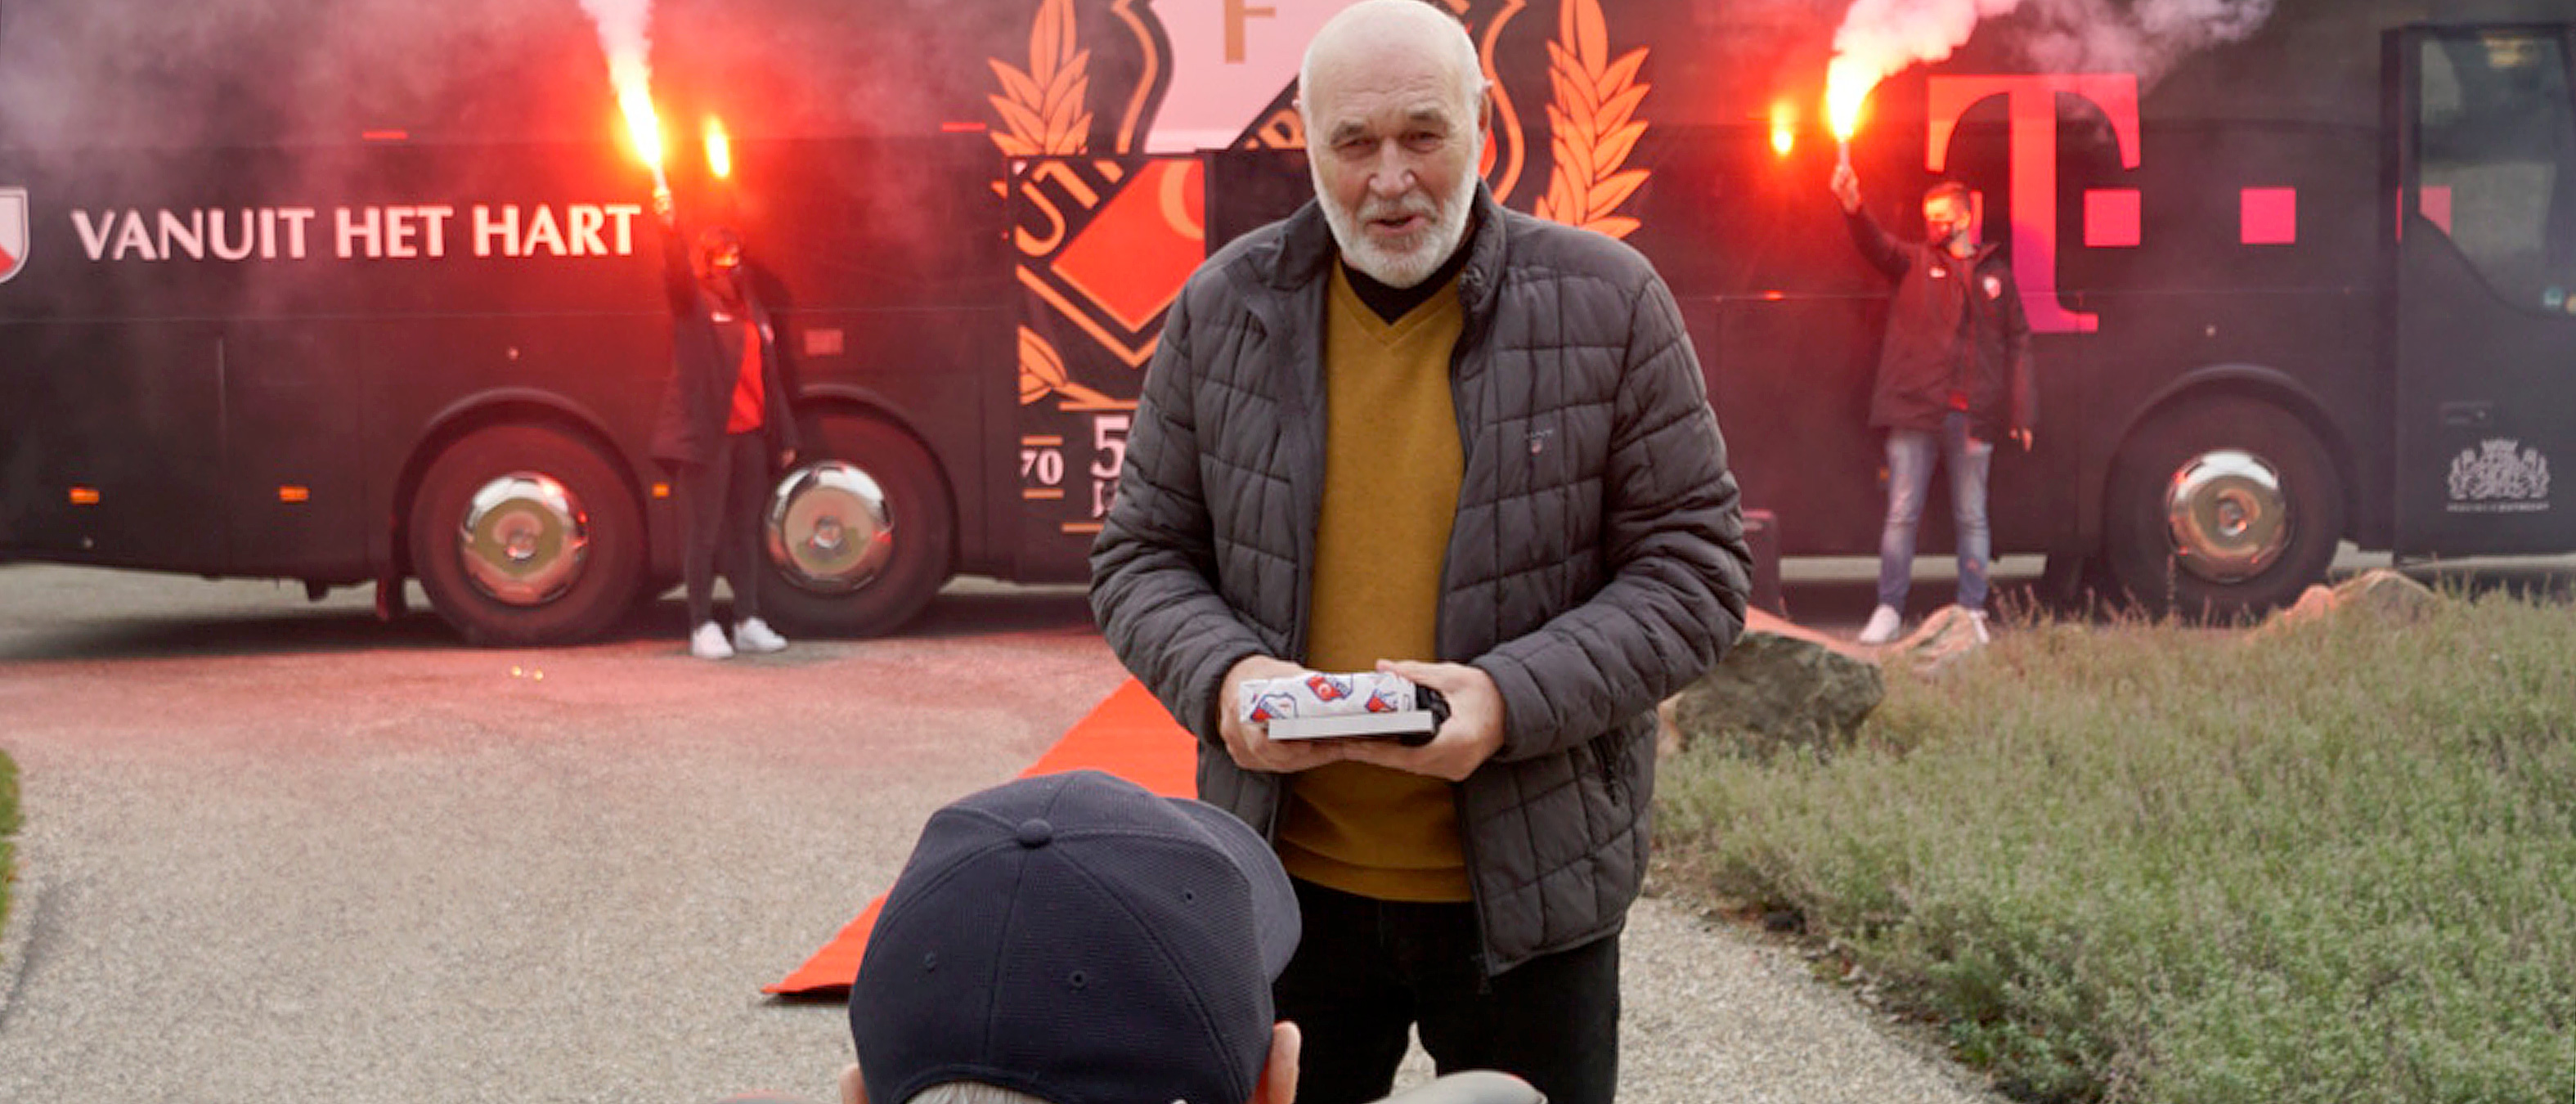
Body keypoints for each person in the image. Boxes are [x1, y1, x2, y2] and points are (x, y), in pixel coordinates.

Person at [1088, 3, 1752, 1102]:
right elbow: (1140, 557)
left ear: (1483, 123)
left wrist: (1505, 701)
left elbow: (1696, 571)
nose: (1389, 179)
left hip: (1530, 899)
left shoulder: (1610, 301)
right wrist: (1224, 680)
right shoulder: (1222, 310)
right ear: (1305, 144)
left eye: (1422, 134)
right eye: (1353, 142)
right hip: (1282, 891)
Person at [1829, 163, 2035, 645]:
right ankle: (1888, 609)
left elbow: (2019, 344)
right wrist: (1853, 206)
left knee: (1972, 515)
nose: (1933, 226)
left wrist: (2022, 412)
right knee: (1903, 512)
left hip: (1973, 417)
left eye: (1941, 217)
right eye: (1928, 218)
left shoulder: (1996, 276)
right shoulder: (1914, 262)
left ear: (1965, 218)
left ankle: (1972, 613)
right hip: (1915, 412)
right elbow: (1875, 244)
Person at [650, 190, 800, 660]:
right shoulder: (693, 302)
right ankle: (700, 625)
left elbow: (770, 377)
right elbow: (675, 271)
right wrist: (669, 226)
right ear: (707, 260)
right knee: (704, 533)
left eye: (736, 254)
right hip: (707, 440)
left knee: (744, 532)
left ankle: (747, 620)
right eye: (723, 255)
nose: (732, 263)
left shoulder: (751, 307)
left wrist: (785, 436)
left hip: (750, 437)